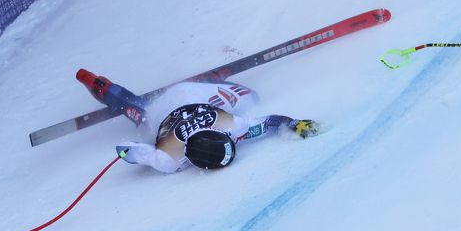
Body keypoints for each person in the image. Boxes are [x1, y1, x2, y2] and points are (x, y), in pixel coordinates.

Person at [97, 77, 318, 174]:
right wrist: (293, 123)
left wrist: (293, 123)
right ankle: (117, 98)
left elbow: (269, 121)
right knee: (142, 115)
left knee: (252, 98)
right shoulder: (168, 160)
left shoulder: (232, 127)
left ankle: (114, 95)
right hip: (175, 102)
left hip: (188, 96)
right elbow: (125, 150)